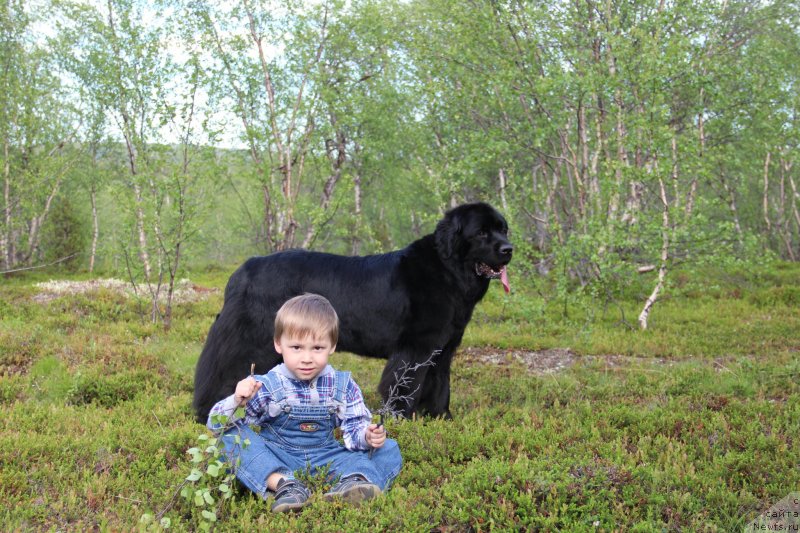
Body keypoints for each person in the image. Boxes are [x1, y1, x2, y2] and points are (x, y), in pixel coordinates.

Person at [206, 293, 403, 513]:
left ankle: (353, 483)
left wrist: (367, 436)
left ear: (332, 346)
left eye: (317, 348)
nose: (307, 358)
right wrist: (237, 400)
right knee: (228, 438)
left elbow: (355, 427)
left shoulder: (342, 384)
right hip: (277, 455)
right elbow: (216, 423)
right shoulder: (266, 385)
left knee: (389, 448)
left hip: (328, 457)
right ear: (279, 344)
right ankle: (284, 485)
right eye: (297, 348)